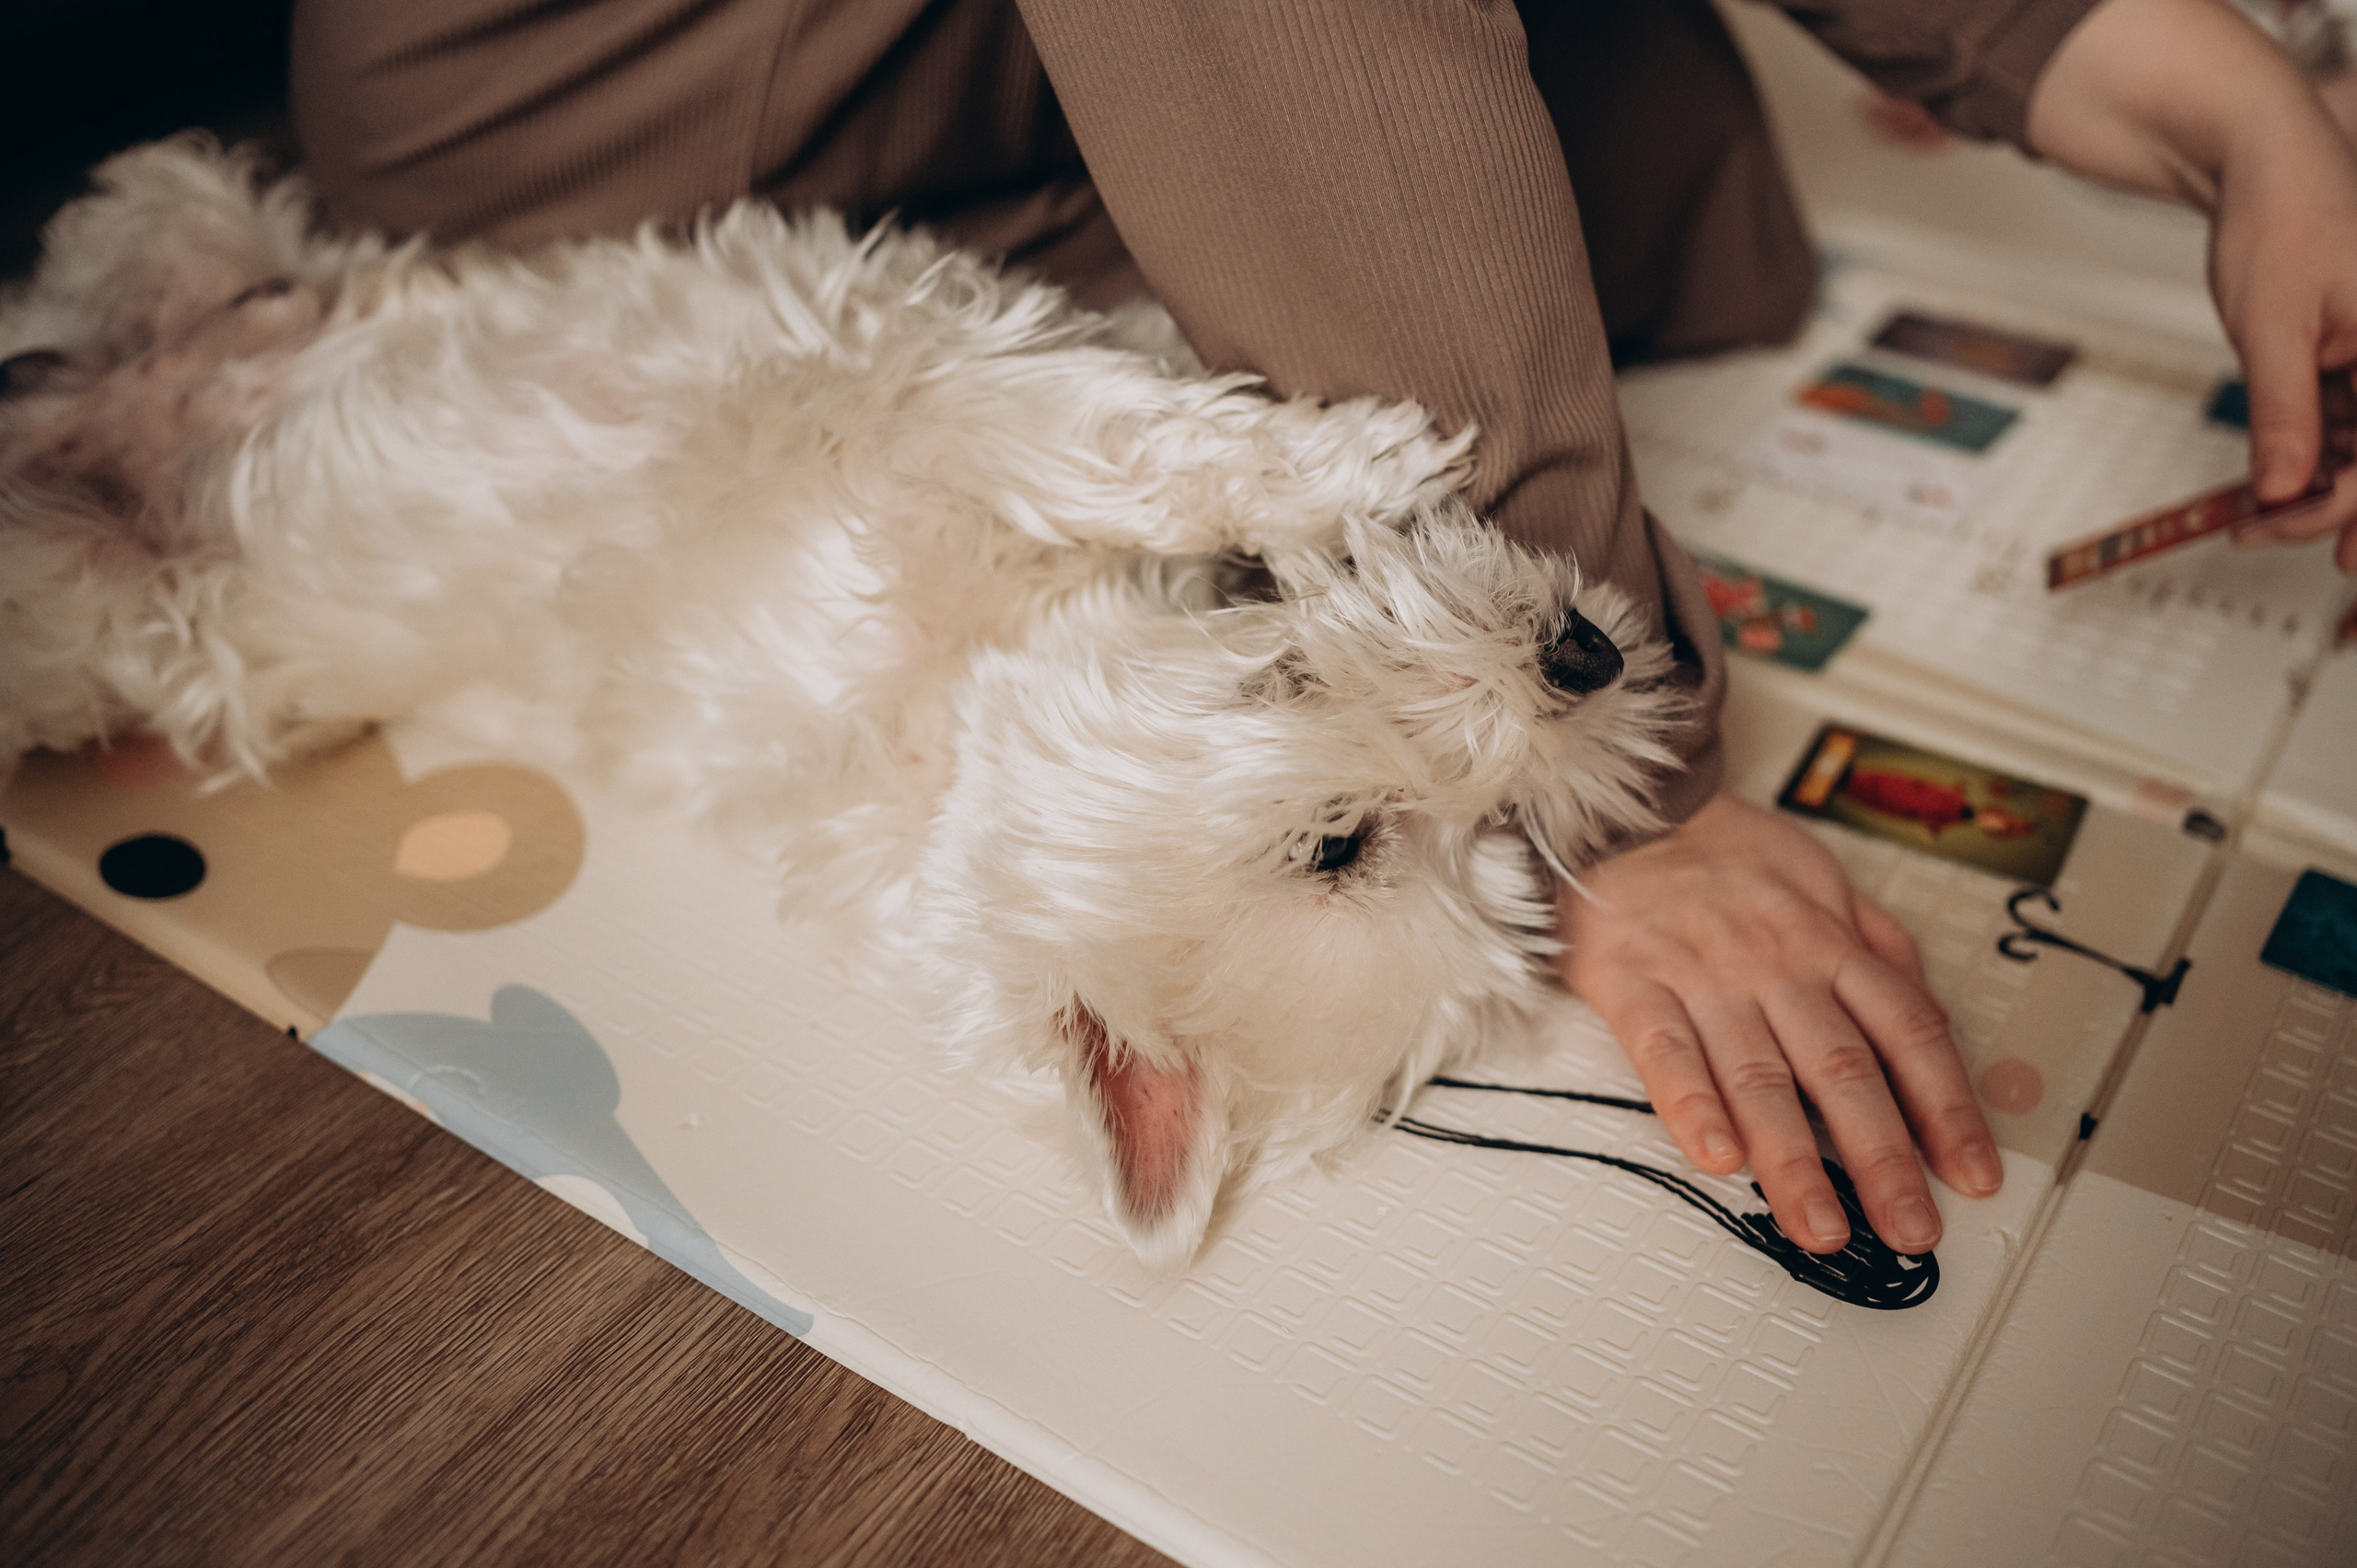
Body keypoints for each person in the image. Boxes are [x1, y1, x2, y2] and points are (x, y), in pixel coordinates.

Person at [290, 0, 2357, 1260]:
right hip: (680, 128)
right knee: (1489, 279)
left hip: (997, 96)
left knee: (1674, 198)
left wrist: (2215, 103)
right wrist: (1613, 767)